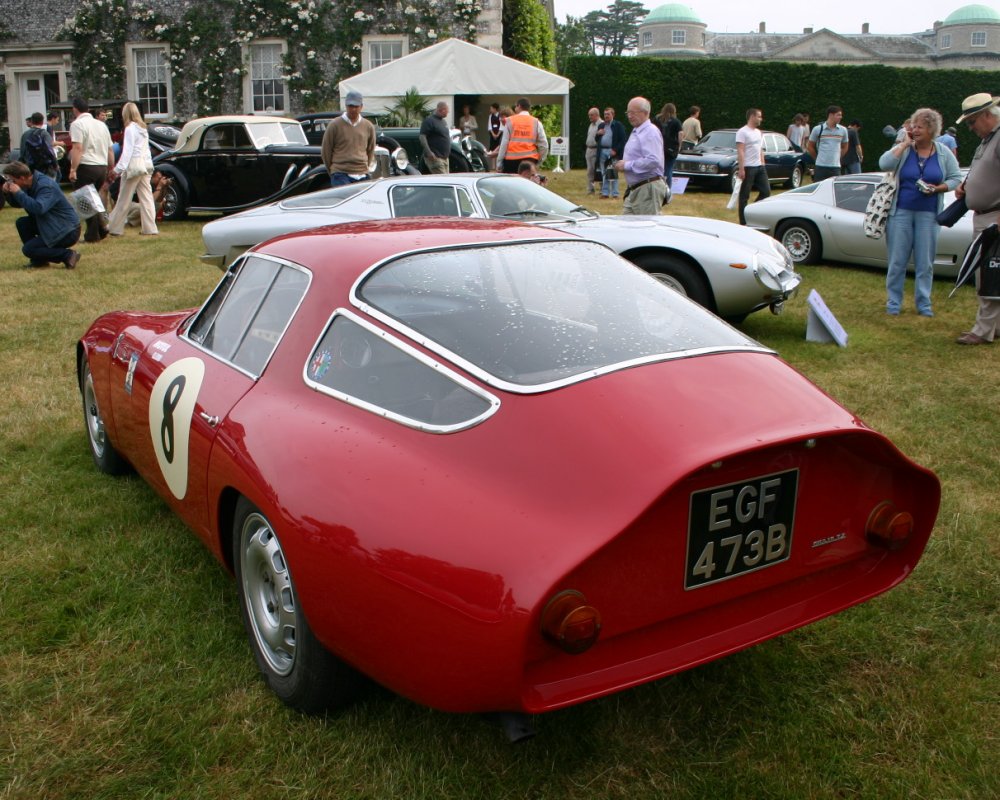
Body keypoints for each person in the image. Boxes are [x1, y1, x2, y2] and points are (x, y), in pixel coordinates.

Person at [878, 108, 961, 317]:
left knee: (925, 263)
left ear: (931, 130)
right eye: (913, 126)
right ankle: (893, 303)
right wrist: (904, 143)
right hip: (901, 213)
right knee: (897, 261)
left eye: (920, 127)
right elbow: (884, 164)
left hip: (929, 215)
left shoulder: (943, 152)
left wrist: (938, 188)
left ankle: (924, 304)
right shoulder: (905, 149)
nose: (914, 130)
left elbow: (955, 178)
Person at [953, 93, 1000, 344]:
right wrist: (965, 187)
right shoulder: (988, 140)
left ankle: (982, 331)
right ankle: (995, 326)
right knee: (993, 272)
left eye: (973, 121)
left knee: (988, 274)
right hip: (985, 216)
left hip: (995, 219)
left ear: (987, 115)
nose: (971, 128)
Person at [2, 161, 80, 269]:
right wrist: (8, 193)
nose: (11, 183)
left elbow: (39, 208)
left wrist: (18, 192)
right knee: (22, 223)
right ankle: (39, 261)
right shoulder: (28, 184)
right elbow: (19, 203)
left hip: (67, 230)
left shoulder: (46, 186)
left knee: (28, 249)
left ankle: (67, 255)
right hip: (50, 224)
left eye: (12, 180)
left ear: (22, 178)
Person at [106, 101, 158, 237]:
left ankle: (115, 228)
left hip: (134, 166)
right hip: (146, 165)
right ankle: (150, 228)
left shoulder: (130, 128)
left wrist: (117, 170)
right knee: (146, 198)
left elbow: (127, 152)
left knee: (124, 198)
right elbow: (145, 150)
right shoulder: (143, 128)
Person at [68, 97, 114, 242]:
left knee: (85, 202)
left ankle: (92, 234)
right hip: (101, 166)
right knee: (96, 200)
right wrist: (110, 167)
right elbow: (110, 150)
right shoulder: (101, 125)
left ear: (75, 109)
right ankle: (103, 226)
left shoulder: (77, 124)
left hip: (86, 166)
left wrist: (73, 169)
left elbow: (77, 148)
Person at [614, 97, 666, 215]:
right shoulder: (637, 131)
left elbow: (653, 160)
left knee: (646, 229)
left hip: (647, 189)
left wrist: (627, 165)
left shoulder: (650, 132)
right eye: (628, 112)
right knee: (627, 227)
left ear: (645, 113)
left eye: (633, 112)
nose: (629, 116)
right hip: (635, 189)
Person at [321, 90, 376, 187]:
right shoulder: (334, 125)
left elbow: (370, 150)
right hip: (340, 173)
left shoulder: (368, 126)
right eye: (350, 106)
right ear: (346, 106)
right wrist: (333, 171)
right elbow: (326, 151)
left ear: (361, 107)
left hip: (362, 173)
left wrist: (365, 166)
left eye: (356, 106)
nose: (353, 109)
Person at [736, 107, 770, 225]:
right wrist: (741, 168)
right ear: (752, 117)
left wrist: (763, 163)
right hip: (748, 167)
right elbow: (740, 150)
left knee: (766, 192)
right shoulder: (742, 132)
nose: (761, 119)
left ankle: (751, 211)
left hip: (760, 167)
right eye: (759, 116)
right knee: (744, 195)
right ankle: (743, 221)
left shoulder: (758, 132)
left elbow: (760, 149)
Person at [496, 97, 547, 175]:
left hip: (511, 160)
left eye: (516, 106)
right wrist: (539, 161)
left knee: (510, 185)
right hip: (530, 159)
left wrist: (499, 162)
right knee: (528, 184)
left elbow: (504, 143)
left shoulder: (510, 121)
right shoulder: (536, 122)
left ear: (519, 106)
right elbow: (544, 145)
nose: (515, 108)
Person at [807, 105, 849, 181]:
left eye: (841, 115)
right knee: (820, 189)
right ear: (831, 115)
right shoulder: (818, 129)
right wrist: (817, 158)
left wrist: (838, 156)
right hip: (821, 166)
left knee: (834, 189)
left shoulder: (843, 130)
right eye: (838, 115)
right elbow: (810, 146)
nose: (841, 117)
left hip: (835, 167)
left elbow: (845, 146)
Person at [19, 112, 59, 179]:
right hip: (44, 167)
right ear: (42, 121)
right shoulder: (44, 134)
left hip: (29, 166)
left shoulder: (25, 134)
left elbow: (22, 151)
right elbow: (49, 150)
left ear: (32, 121)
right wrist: (55, 164)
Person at [597, 106, 625, 199]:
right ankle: (605, 193)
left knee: (613, 173)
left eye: (608, 114)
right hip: (602, 151)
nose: (606, 116)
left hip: (612, 151)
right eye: (605, 114)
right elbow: (596, 139)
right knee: (604, 173)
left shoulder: (618, 125)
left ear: (613, 114)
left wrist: (615, 150)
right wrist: (598, 134)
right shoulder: (601, 125)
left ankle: (615, 193)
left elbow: (622, 140)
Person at [419, 101, 451, 175]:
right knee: (443, 181)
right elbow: (422, 137)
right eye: (447, 110)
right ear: (441, 110)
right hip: (435, 158)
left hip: (445, 158)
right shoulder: (429, 121)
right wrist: (429, 152)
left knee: (448, 180)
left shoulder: (443, 121)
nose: (448, 112)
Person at [656, 102, 682, 189]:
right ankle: (667, 189)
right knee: (668, 169)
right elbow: (680, 134)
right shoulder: (676, 121)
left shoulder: (657, 119)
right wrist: (680, 146)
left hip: (658, 147)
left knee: (659, 169)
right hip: (670, 149)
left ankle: (658, 186)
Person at [584, 107, 601, 195]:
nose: (589, 117)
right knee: (590, 171)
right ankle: (590, 189)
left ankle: (602, 189)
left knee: (598, 170)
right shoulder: (591, 125)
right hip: (589, 149)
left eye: (591, 115)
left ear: (597, 115)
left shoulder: (601, 124)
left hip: (596, 149)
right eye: (589, 115)